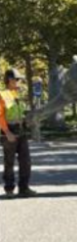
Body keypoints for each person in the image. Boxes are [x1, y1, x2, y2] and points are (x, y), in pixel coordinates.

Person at [0, 68, 36, 198]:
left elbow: (19, 114)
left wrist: (27, 121)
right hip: (9, 132)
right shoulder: (3, 95)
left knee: (25, 162)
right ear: (10, 80)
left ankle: (24, 188)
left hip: (21, 132)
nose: (19, 81)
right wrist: (7, 132)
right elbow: (0, 117)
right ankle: (9, 189)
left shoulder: (16, 95)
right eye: (17, 79)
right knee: (9, 162)